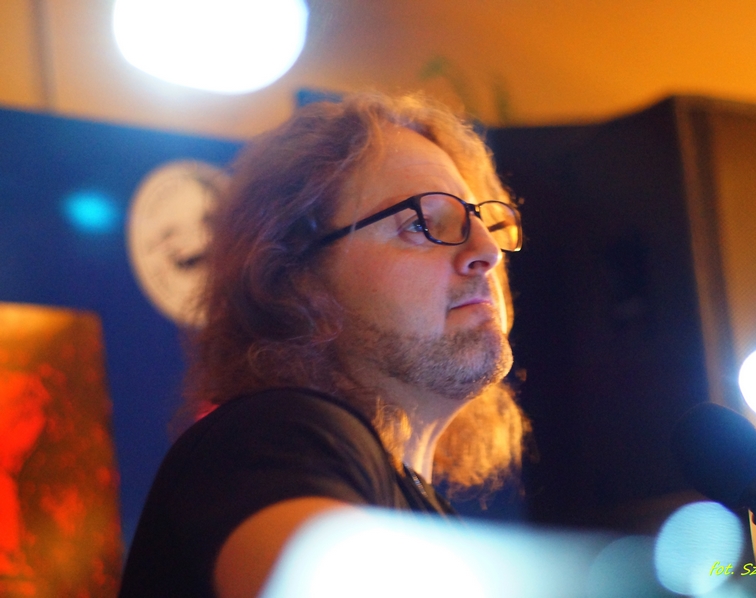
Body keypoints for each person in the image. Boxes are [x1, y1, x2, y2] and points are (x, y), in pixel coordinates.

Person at [118, 92, 529, 598]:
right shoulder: (274, 434)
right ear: (297, 278)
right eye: (422, 223)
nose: (487, 251)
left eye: (484, 223)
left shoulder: (418, 507)